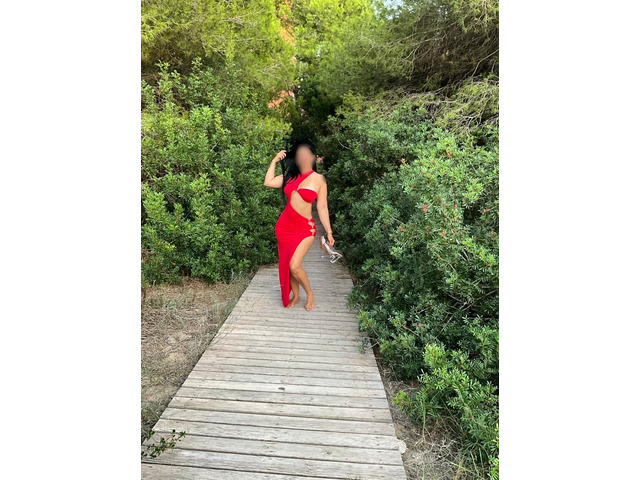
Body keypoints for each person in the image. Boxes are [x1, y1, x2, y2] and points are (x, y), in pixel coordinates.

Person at [263, 143, 335, 310]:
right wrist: (274, 161)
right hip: (284, 228)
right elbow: (268, 182)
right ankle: (295, 295)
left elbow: (322, 207)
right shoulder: (289, 177)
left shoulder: (319, 180)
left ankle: (309, 293)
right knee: (288, 265)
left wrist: (329, 232)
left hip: (305, 229)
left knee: (295, 266)